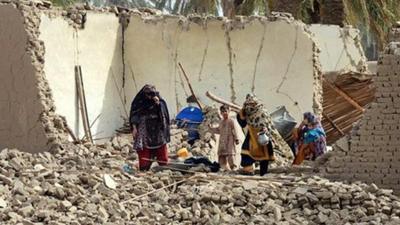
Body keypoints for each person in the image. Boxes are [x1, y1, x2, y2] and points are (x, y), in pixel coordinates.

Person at [129, 84, 170, 171]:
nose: (150, 97)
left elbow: (164, 113)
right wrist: (134, 127)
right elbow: (134, 114)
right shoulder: (139, 102)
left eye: (152, 94)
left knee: (161, 147)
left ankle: (163, 167)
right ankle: (144, 168)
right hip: (144, 128)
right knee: (144, 148)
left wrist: (158, 104)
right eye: (148, 95)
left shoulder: (159, 100)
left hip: (157, 128)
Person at [237, 94, 275, 176]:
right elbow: (242, 123)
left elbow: (268, 124)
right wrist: (241, 112)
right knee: (246, 152)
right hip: (251, 134)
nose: (249, 106)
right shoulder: (247, 112)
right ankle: (249, 170)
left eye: (251, 104)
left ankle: (263, 173)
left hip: (262, 134)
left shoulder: (262, 111)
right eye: (247, 104)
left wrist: (266, 130)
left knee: (264, 155)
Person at [209, 105, 239, 171]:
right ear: (221, 113)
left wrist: (236, 139)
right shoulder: (221, 122)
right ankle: (224, 168)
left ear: (228, 111)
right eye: (222, 111)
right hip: (222, 140)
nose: (224, 113)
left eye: (225, 111)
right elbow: (218, 130)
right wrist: (211, 129)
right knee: (222, 155)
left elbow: (234, 130)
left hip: (230, 139)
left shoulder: (231, 121)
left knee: (230, 153)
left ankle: (233, 168)